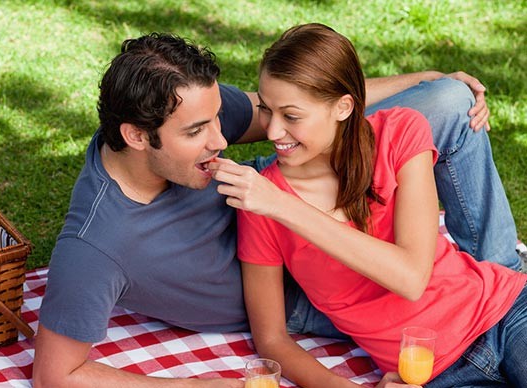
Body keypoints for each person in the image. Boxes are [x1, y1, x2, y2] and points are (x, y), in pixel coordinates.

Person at [33, 31, 521, 387]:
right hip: (295, 287)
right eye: (196, 132)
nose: (224, 141)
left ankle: (502, 274)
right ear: (137, 136)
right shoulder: (95, 246)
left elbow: (295, 105)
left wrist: (419, 79)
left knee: (450, 99)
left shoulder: (182, 103)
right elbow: (55, 373)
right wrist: (191, 387)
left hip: (291, 196)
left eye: (215, 121)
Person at [211, 23, 527, 387]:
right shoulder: (259, 203)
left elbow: (410, 278)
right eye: (266, 110)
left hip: (505, 311)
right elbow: (272, 339)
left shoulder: (399, 132)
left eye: (291, 116)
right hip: (428, 374)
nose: (271, 131)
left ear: (343, 107)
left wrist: (284, 207)